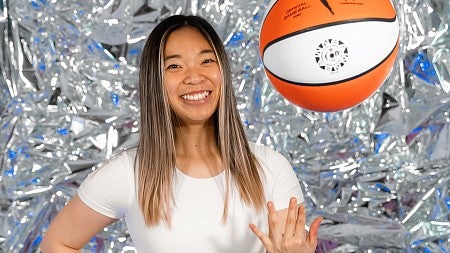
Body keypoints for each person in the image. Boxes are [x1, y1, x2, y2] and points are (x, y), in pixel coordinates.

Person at [40, 15, 322, 253]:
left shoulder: (270, 167)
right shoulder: (128, 173)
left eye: (207, 61)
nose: (194, 76)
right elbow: (57, 243)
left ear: (222, 70)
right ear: (155, 81)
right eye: (174, 65)